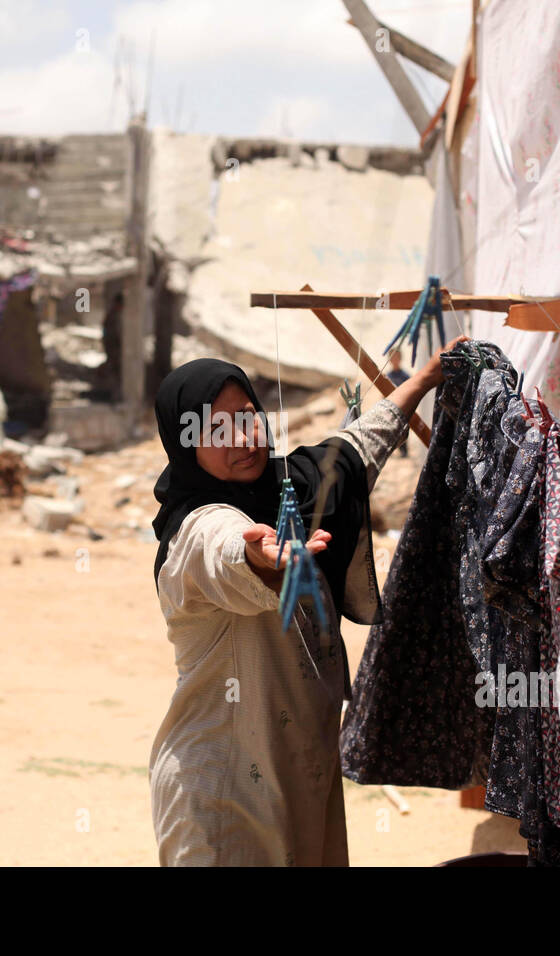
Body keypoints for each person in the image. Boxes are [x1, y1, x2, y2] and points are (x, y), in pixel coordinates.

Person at [148, 338, 467, 866]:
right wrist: (263, 560)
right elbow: (225, 549)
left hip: (302, 777)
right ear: (185, 445)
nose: (244, 437)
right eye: (215, 429)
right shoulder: (195, 529)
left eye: (248, 416)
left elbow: (356, 448)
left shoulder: (294, 491)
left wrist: (422, 380)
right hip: (223, 793)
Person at [385, 349, 411, 457]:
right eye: (392, 357)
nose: (394, 360)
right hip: (391, 407)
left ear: (400, 358)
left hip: (403, 408)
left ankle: (404, 451)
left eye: (396, 357)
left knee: (402, 430)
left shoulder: (405, 376)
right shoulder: (387, 376)